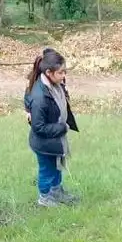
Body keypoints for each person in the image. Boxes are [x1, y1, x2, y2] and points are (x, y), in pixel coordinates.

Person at [25, 49, 79, 207]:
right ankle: (44, 197)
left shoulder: (55, 84)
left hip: (54, 140)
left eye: (65, 72)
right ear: (49, 72)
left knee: (56, 167)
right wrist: (62, 128)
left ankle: (56, 191)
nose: (64, 76)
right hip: (43, 143)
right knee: (46, 170)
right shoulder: (39, 96)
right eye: (61, 73)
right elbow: (39, 127)